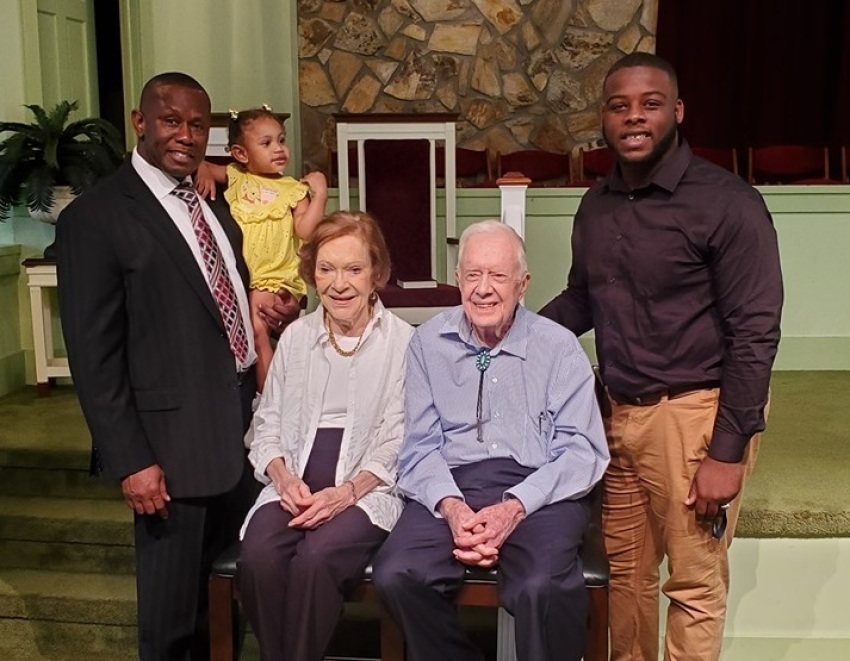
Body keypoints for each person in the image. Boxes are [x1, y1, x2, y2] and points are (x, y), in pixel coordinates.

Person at [540, 52, 784, 661]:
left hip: (695, 417)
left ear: (676, 111)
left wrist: (727, 451)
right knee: (626, 581)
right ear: (604, 117)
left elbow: (755, 334)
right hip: (617, 417)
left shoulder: (728, 204)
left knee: (694, 584)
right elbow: (582, 299)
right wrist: (508, 333)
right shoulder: (595, 204)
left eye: (649, 104)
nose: (634, 117)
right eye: (619, 106)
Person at [56, 72, 298, 660]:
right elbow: (95, 357)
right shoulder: (96, 218)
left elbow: (215, 303)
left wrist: (260, 305)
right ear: (140, 123)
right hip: (168, 454)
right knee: (170, 624)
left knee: (224, 612)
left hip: (239, 439)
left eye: (198, 124)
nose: (186, 136)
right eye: (171, 121)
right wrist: (132, 460)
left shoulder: (215, 209)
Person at [372, 220, 609, 661]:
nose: (483, 289)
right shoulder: (427, 343)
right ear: (458, 280)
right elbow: (419, 445)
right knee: (396, 573)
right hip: (451, 482)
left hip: (540, 489)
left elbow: (582, 451)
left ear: (523, 284)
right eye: (473, 275)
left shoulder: (558, 347)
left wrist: (514, 506)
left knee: (542, 587)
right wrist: (453, 507)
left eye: (498, 276)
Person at [238, 210, 413, 661]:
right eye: (326, 269)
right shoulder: (296, 338)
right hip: (293, 480)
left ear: (377, 273)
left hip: (366, 485)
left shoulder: (403, 343)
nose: (339, 284)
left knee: (317, 559)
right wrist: (282, 477)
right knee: (258, 557)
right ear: (311, 274)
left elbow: (399, 437)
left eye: (354, 269)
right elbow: (268, 422)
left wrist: (346, 493)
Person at [195, 106, 328, 389]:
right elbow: (202, 165)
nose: (278, 149)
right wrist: (204, 170)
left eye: (281, 140)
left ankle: (267, 400)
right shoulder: (236, 178)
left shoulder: (293, 189)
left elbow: (306, 230)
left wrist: (320, 195)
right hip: (243, 278)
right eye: (266, 143)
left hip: (276, 276)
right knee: (256, 330)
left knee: (258, 330)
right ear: (241, 154)